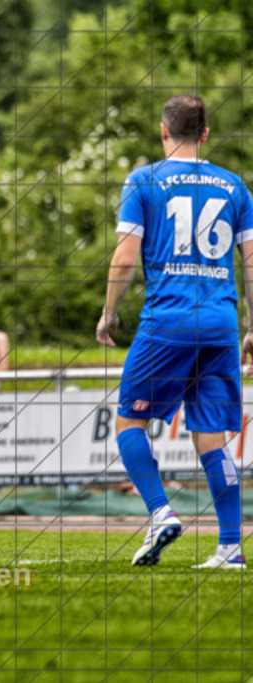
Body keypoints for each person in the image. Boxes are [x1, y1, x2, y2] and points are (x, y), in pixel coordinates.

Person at [97, 93, 253, 569]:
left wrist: (108, 312)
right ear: (205, 133)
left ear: (162, 131)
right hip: (221, 324)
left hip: (169, 320)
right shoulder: (234, 186)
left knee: (129, 421)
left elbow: (125, 257)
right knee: (211, 435)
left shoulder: (143, 180)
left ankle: (161, 512)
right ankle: (230, 547)